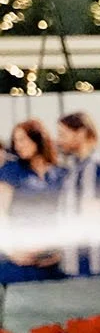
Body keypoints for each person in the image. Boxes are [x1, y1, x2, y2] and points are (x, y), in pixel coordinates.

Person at [0, 120, 67, 285]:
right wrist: (11, 251)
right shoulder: (11, 171)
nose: (17, 145)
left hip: (52, 260)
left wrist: (61, 251)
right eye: (15, 141)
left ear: (38, 139)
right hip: (19, 261)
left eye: (22, 139)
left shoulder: (60, 173)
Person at [56, 112, 100, 276]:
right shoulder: (77, 166)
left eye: (63, 134)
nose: (59, 140)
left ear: (81, 133)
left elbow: (92, 217)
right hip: (75, 260)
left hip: (89, 262)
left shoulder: (94, 167)